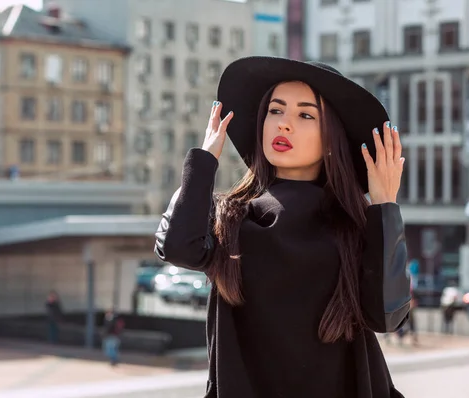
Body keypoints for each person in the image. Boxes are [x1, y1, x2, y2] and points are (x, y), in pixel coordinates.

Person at [155, 57, 411, 398]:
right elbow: (176, 247)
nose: (283, 125)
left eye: (305, 115)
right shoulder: (230, 216)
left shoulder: (355, 227)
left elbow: (388, 316)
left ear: (332, 138)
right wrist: (205, 160)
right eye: (275, 111)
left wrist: (385, 207)